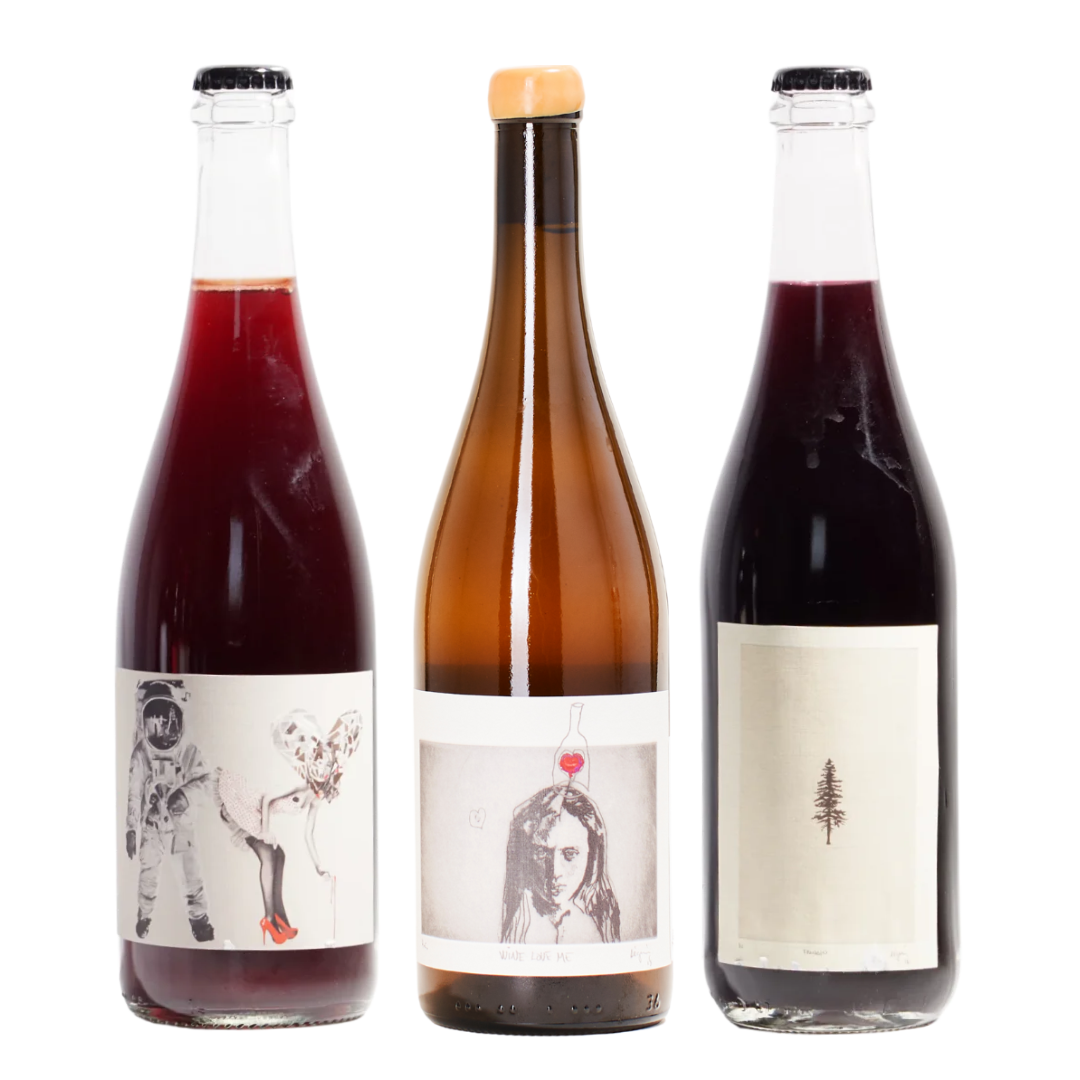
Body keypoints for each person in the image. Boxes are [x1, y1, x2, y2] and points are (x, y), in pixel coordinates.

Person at [214, 709, 360, 944]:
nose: (321, 767)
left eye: (327, 765)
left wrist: (318, 866)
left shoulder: (316, 795)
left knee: (279, 855)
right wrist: (265, 831)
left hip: (258, 813)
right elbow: (267, 799)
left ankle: (280, 919)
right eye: (319, 761)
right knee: (269, 855)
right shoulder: (300, 783)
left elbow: (308, 834)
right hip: (246, 803)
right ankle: (269, 919)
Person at [125, 680, 214, 942]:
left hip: (179, 824)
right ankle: (144, 915)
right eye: (154, 720)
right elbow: (134, 792)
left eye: (166, 719)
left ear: (176, 716)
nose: (161, 726)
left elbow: (208, 781)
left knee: (190, 872)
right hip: (152, 823)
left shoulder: (188, 750)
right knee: (149, 871)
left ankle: (199, 919)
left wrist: (184, 795)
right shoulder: (142, 753)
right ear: (145, 721)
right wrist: (131, 829)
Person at [501, 785, 620, 945]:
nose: (555, 871)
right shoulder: (519, 927)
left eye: (569, 854)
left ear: (592, 856)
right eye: (542, 852)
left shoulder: (597, 930)